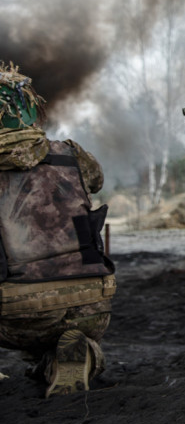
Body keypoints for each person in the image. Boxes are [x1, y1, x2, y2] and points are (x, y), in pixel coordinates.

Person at [0, 63, 116, 397]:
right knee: (65, 333)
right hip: (92, 303)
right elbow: (96, 180)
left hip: (17, 311)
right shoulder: (71, 153)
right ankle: (70, 355)